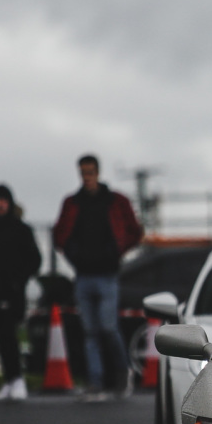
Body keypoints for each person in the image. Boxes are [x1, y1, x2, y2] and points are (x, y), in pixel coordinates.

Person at [52, 155, 143, 400]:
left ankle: (122, 373)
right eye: (83, 173)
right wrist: (74, 255)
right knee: (90, 331)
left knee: (108, 327)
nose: (87, 177)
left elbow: (135, 231)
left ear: (98, 172)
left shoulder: (115, 201)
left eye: (90, 172)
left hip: (107, 275)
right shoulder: (73, 203)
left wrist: (116, 252)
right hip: (84, 276)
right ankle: (96, 382)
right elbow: (59, 235)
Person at [0, 184, 42, 401]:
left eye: (4, 201)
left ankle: (17, 379)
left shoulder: (21, 230)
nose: (0, 205)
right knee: (1, 339)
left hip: (12, 294)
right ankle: (9, 380)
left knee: (9, 336)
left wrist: (18, 280)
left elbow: (35, 260)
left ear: (10, 204)